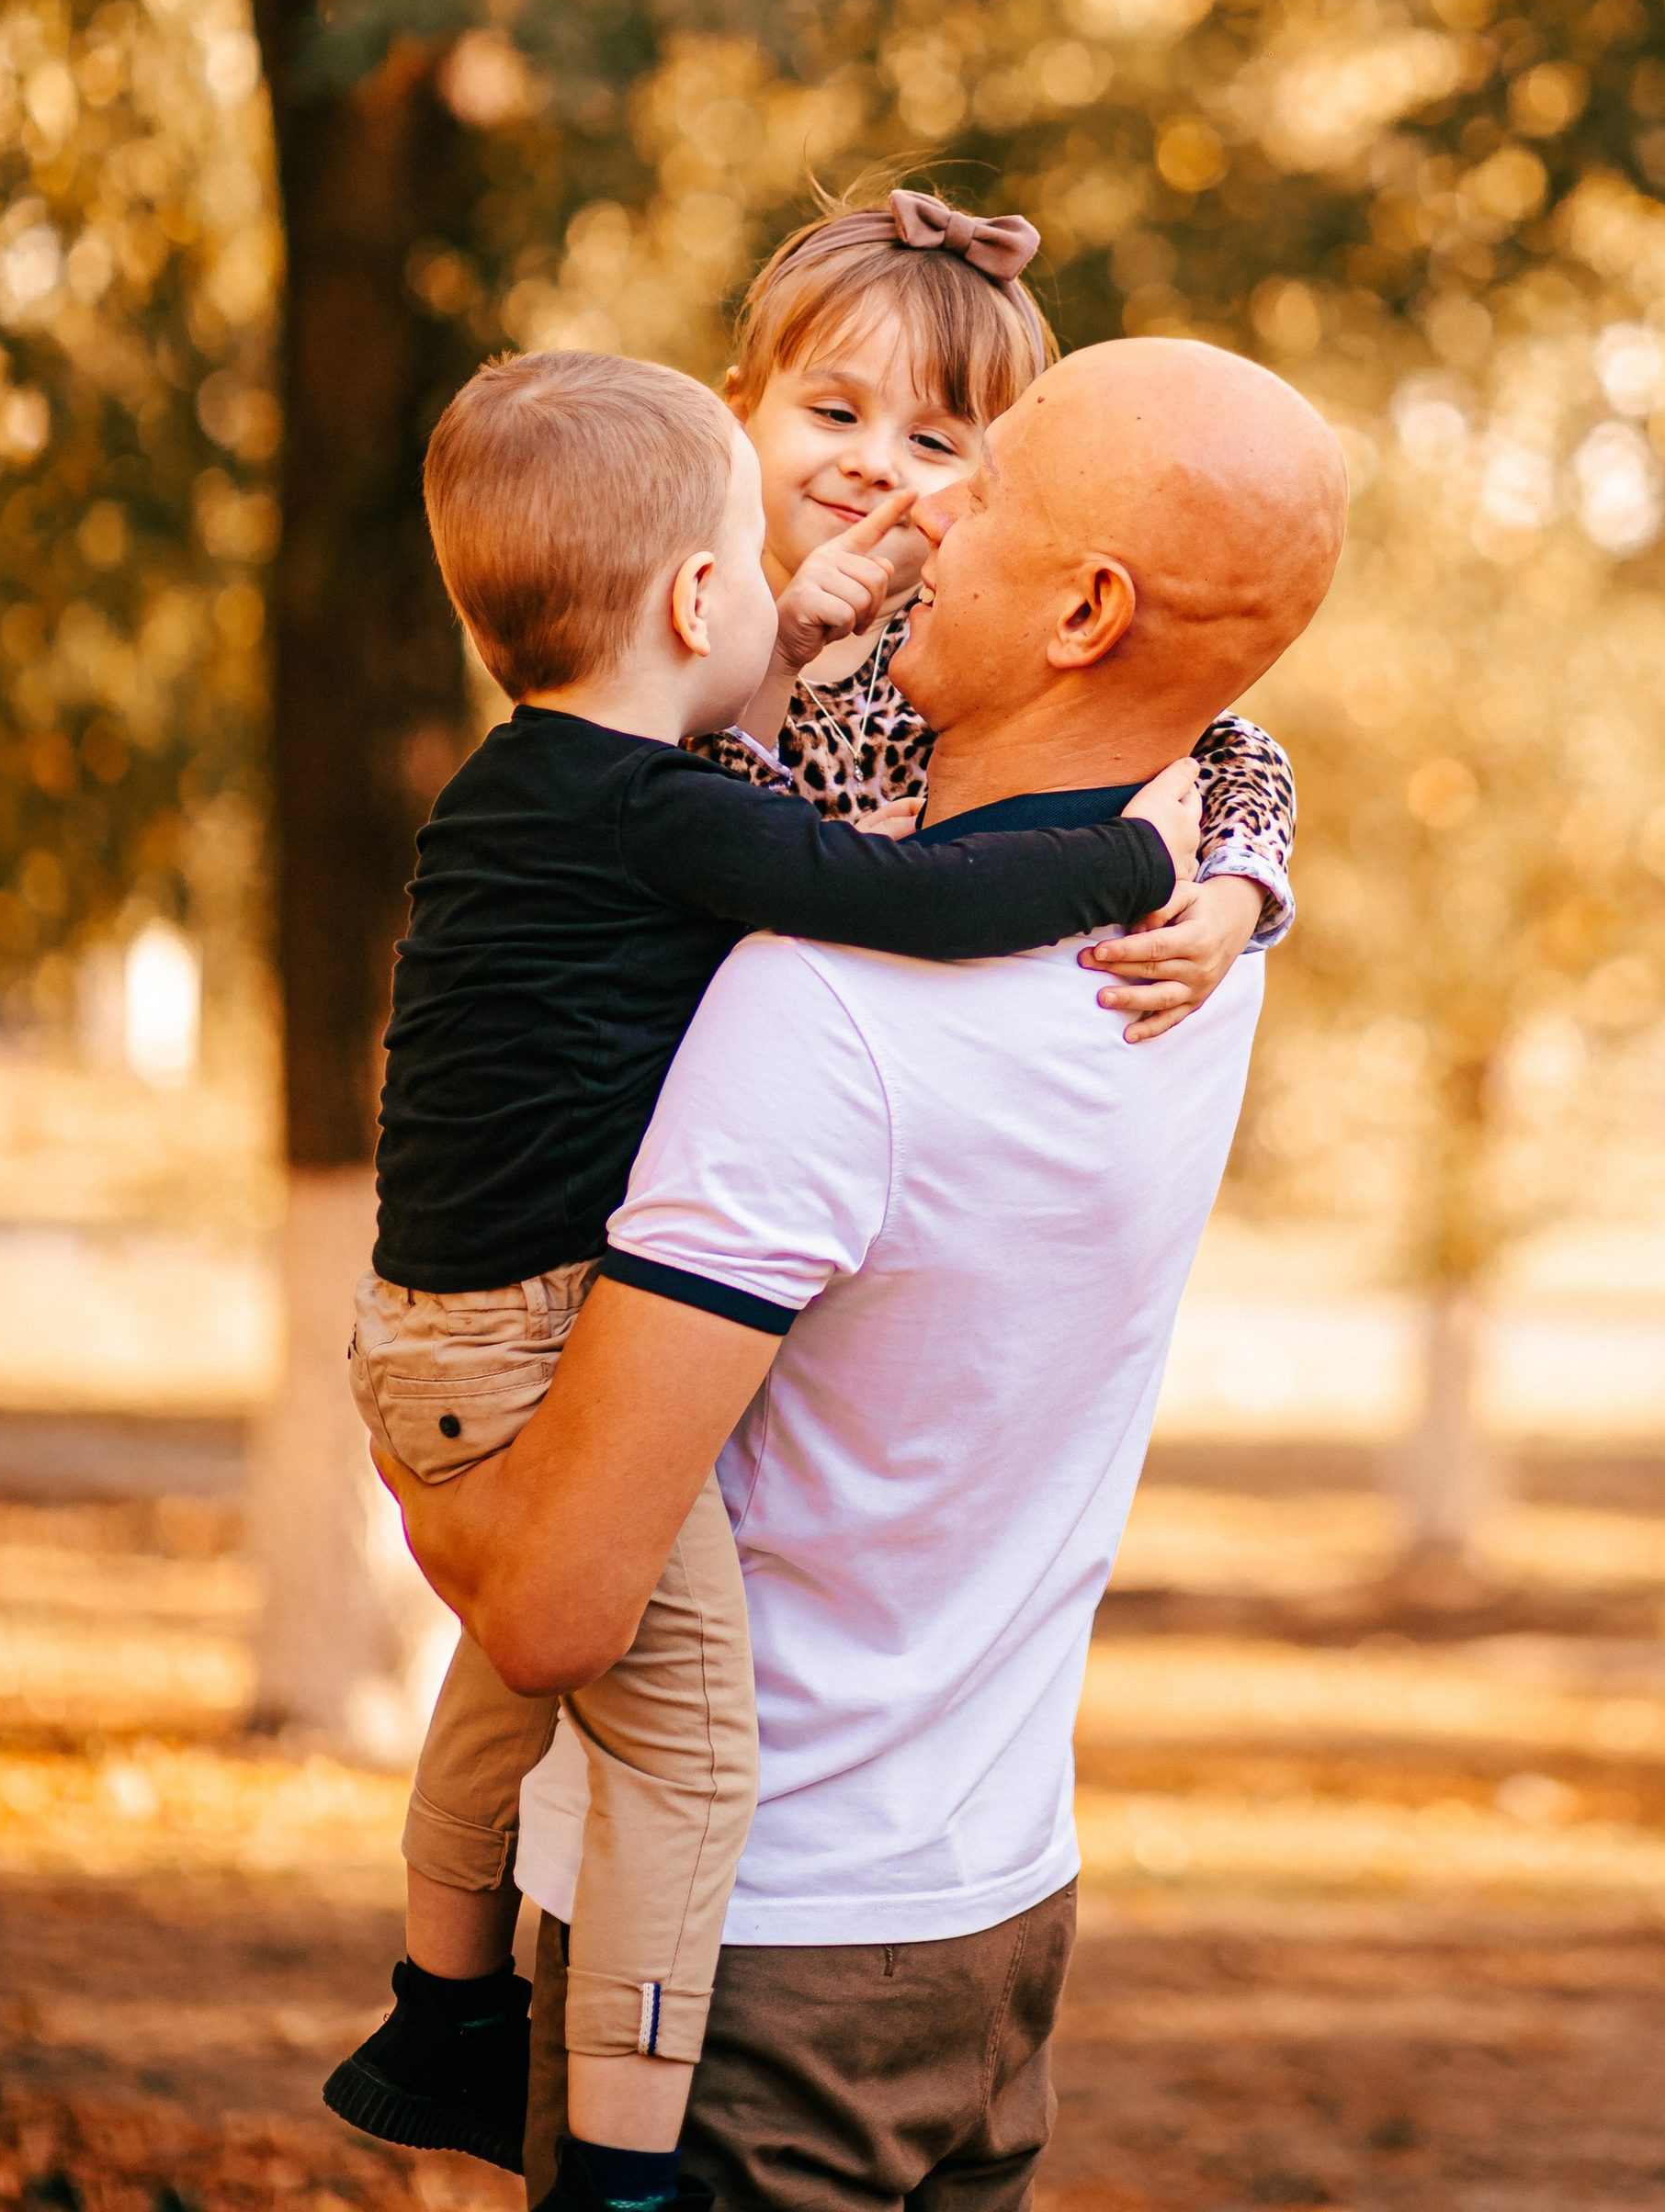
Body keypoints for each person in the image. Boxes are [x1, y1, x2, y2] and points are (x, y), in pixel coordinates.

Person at [378, 336, 1348, 2212]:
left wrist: (418, 1466)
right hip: (990, 1917)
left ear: (1082, 608)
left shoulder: (817, 1017)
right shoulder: (1191, 958)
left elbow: (555, 1609)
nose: (913, 504)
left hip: (742, 1965)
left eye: (976, 483)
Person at [698, 185, 1300, 1041]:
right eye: (836, 415)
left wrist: (1239, 889)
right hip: (754, 1051)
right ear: (737, 417)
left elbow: (1232, 748)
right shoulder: (687, 628)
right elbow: (692, 834)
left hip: (962, 1035)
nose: (874, 464)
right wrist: (780, 663)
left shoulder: (979, 640)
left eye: (933, 444)